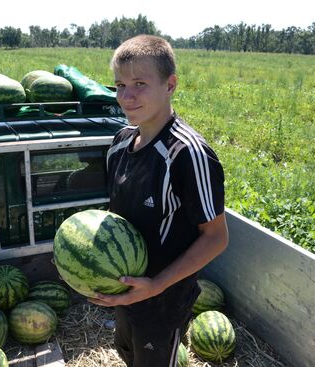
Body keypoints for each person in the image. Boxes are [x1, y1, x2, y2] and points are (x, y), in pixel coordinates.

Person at [88, 35, 229, 367]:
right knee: (127, 351)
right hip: (127, 291)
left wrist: (155, 285)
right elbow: (117, 216)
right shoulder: (120, 142)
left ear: (170, 85)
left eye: (140, 83)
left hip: (163, 300)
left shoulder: (189, 154)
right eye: (120, 85)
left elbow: (217, 237)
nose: (127, 96)